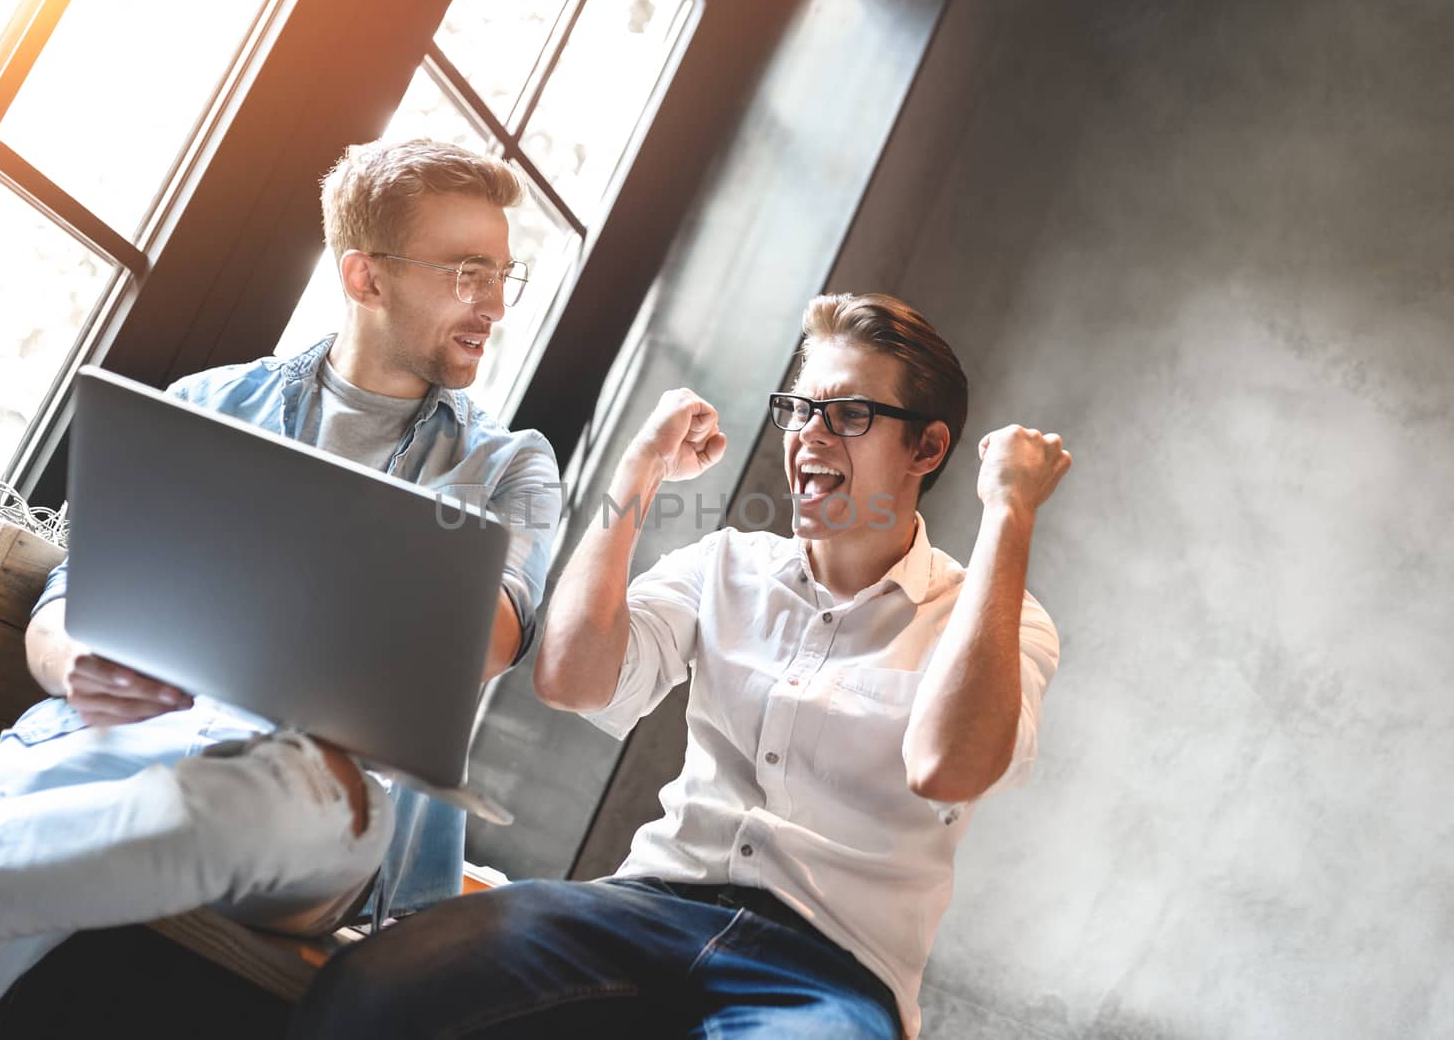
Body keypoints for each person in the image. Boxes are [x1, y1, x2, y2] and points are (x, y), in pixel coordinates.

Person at [0, 137, 563, 1039]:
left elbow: (487, 639)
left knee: (270, 780)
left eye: (506, 274)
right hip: (116, 743)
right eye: (469, 272)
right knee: (29, 821)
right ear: (366, 277)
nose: (496, 304)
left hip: (327, 799)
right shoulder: (206, 404)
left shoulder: (509, 466)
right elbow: (66, 606)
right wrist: (79, 667)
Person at [290, 293, 1070, 1040]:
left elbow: (948, 766)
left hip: (830, 971)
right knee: (376, 984)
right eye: (799, 409)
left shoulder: (999, 623)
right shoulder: (725, 564)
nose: (809, 436)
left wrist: (1010, 511)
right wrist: (639, 470)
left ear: (927, 448)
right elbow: (570, 677)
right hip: (645, 907)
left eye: (850, 414)